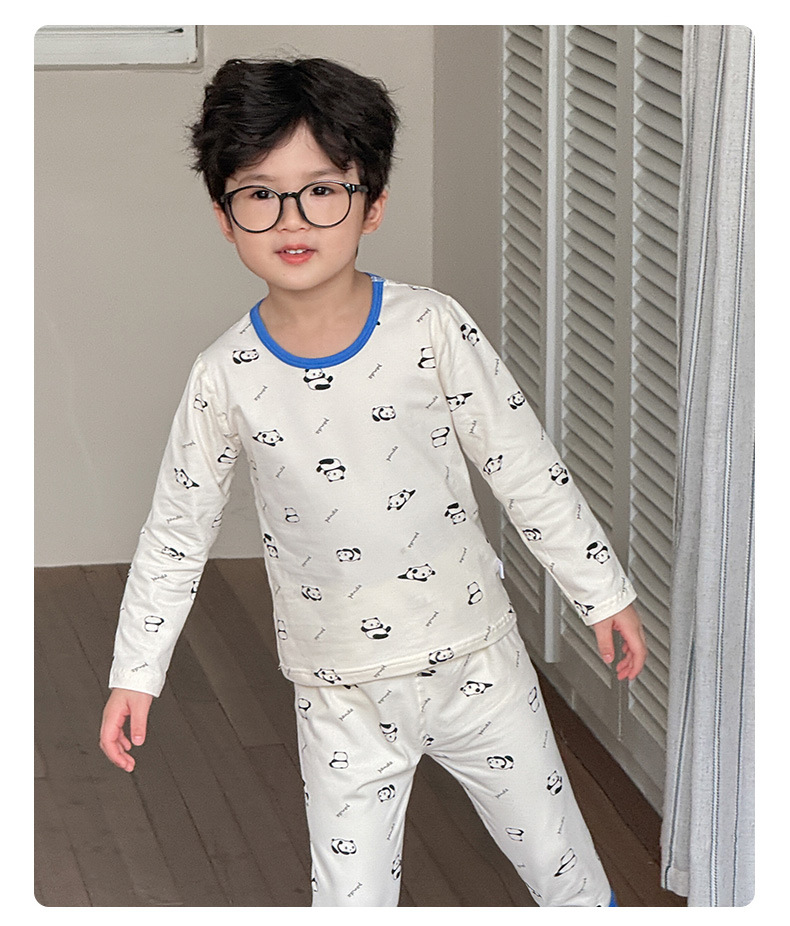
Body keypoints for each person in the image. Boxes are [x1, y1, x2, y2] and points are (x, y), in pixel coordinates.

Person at [100, 56, 647, 908]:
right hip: (339, 693)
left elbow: (522, 464)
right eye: (260, 193)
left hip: (477, 665)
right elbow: (177, 533)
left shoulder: (430, 327)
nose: (292, 218)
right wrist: (136, 672)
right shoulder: (224, 377)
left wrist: (600, 591)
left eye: (322, 189)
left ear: (372, 202)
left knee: (566, 875)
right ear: (224, 216)